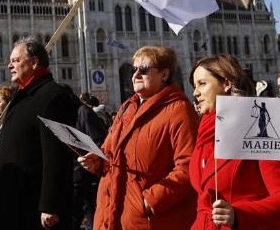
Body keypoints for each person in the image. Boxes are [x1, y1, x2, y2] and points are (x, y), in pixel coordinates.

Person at [78, 45, 198, 230]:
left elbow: (188, 166)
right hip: (111, 215)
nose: (135, 75)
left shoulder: (179, 110)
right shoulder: (127, 107)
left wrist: (150, 200)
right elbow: (110, 151)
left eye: (143, 70)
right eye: (134, 69)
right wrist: (98, 161)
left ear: (164, 74)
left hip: (147, 220)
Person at [0, 36, 79, 230]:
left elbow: (57, 156)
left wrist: (51, 205)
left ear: (34, 62)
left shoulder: (53, 96)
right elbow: (22, 147)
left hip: (32, 209)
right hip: (11, 204)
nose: (9, 65)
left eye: (15, 60)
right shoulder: (22, 96)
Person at [189, 54, 280, 230]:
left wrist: (239, 214)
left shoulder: (258, 126)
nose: (195, 92)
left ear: (226, 84)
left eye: (202, 84)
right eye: (194, 86)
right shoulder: (203, 131)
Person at [72, 93, 107, 230]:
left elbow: (99, 141)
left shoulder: (84, 112)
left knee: (92, 215)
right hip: (78, 175)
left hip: (87, 174)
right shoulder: (74, 113)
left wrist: (88, 155)